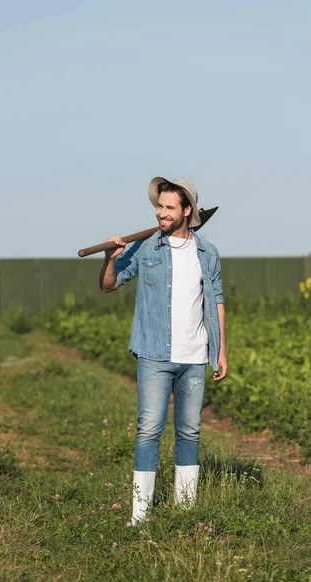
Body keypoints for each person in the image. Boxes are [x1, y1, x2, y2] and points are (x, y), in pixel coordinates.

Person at [99, 176, 228, 525]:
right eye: (159, 206)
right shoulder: (144, 249)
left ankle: (185, 511)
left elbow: (216, 301)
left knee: (189, 432)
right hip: (154, 354)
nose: (161, 213)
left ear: (187, 211)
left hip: (194, 356)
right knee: (149, 430)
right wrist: (111, 258)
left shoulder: (207, 254)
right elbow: (109, 285)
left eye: (169, 207)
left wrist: (221, 351)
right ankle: (139, 516)